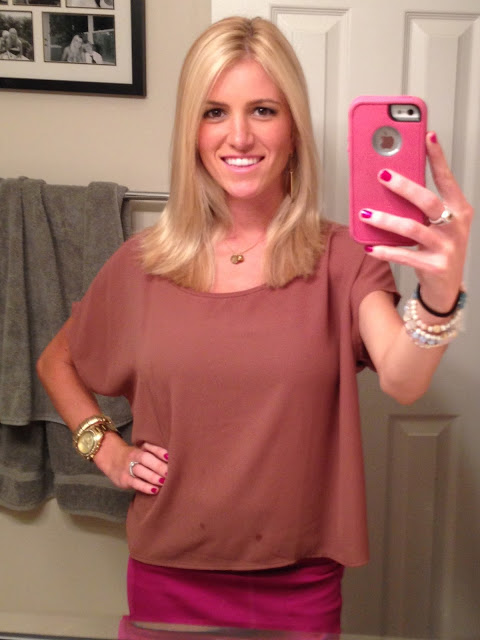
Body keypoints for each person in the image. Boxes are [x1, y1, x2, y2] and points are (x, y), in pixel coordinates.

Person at [37, 16, 472, 634]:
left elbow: (403, 379)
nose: (238, 136)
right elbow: (56, 361)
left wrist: (440, 293)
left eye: (263, 110)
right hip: (169, 572)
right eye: (214, 112)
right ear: (191, 131)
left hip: (300, 579)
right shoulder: (144, 262)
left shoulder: (342, 258)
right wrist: (106, 450)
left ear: (293, 128)